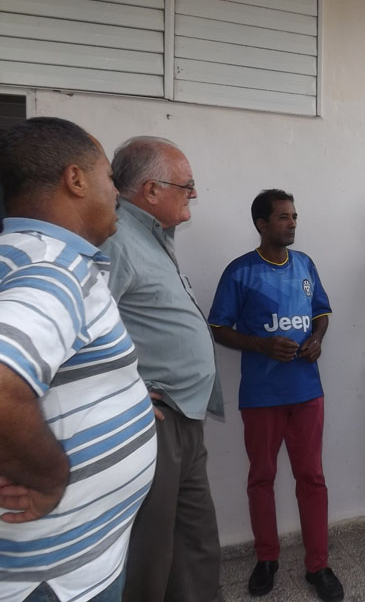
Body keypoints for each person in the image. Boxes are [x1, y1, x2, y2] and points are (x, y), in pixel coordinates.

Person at [0, 117, 157, 601]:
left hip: (65, 562)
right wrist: (49, 477)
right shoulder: (53, 266)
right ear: (75, 180)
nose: (116, 194)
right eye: (110, 178)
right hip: (56, 578)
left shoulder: (22, 255)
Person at [100, 136, 223, 602]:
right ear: (151, 190)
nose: (192, 193)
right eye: (185, 185)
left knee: (195, 538)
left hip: (184, 418)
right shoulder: (116, 239)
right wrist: (123, 391)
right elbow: (81, 333)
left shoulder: (153, 236)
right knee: (151, 549)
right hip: (154, 421)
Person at [208, 190, 343, 601]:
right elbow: (218, 327)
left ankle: (317, 565)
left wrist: (317, 339)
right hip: (262, 394)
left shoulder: (305, 265)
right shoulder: (240, 271)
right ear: (261, 224)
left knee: (312, 478)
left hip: (306, 391)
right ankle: (266, 559)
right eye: (284, 217)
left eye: (295, 216)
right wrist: (262, 345)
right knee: (261, 478)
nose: (292, 223)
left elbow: (321, 312)